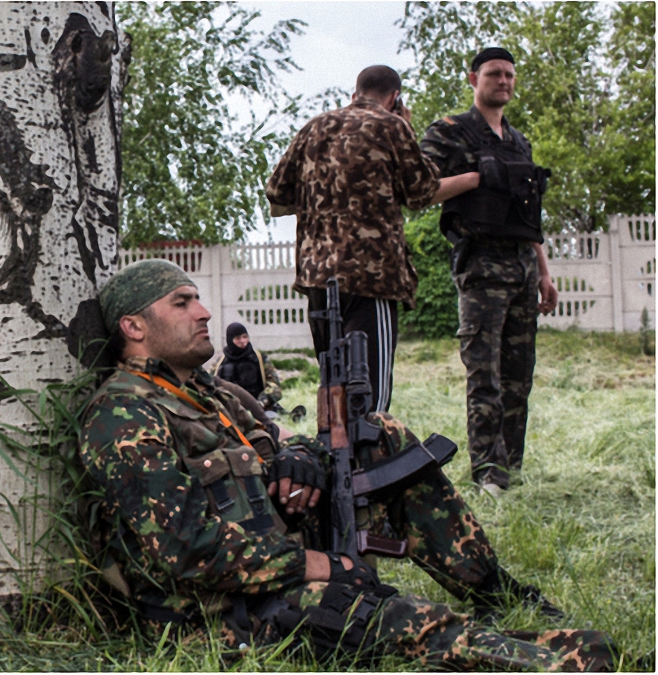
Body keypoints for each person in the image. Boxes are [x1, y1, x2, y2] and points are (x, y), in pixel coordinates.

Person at [78, 259, 615, 670]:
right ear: (134, 326)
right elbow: (184, 548)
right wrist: (322, 566)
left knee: (380, 437)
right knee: (380, 616)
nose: (205, 312)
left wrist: (298, 459)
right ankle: (564, 660)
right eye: (182, 302)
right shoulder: (124, 412)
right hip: (220, 606)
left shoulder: (211, 391)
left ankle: (494, 592)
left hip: (278, 546)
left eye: (198, 299)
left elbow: (277, 439)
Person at [266, 65, 478, 413]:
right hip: (372, 278)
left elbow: (277, 192)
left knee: (333, 394)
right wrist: (408, 131)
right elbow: (422, 191)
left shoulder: (313, 128)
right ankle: (368, 463)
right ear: (395, 98)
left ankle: (337, 463)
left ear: (355, 93)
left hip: (318, 279)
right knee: (369, 400)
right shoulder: (393, 126)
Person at [419, 47, 559, 498]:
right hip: (481, 266)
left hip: (521, 265)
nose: (504, 82)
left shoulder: (519, 142)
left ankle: (511, 469)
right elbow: (419, 190)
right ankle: (488, 474)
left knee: (519, 376)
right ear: (473, 78)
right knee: (486, 376)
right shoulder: (451, 132)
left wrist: (544, 272)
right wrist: (477, 177)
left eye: (510, 75)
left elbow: (529, 214)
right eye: (495, 74)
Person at [216, 322, 282, 415]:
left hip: (260, 408)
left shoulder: (260, 359)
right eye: (238, 338)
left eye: (245, 337)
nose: (242, 341)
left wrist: (262, 402)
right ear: (230, 340)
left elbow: (275, 387)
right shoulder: (219, 363)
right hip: (231, 411)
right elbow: (210, 386)